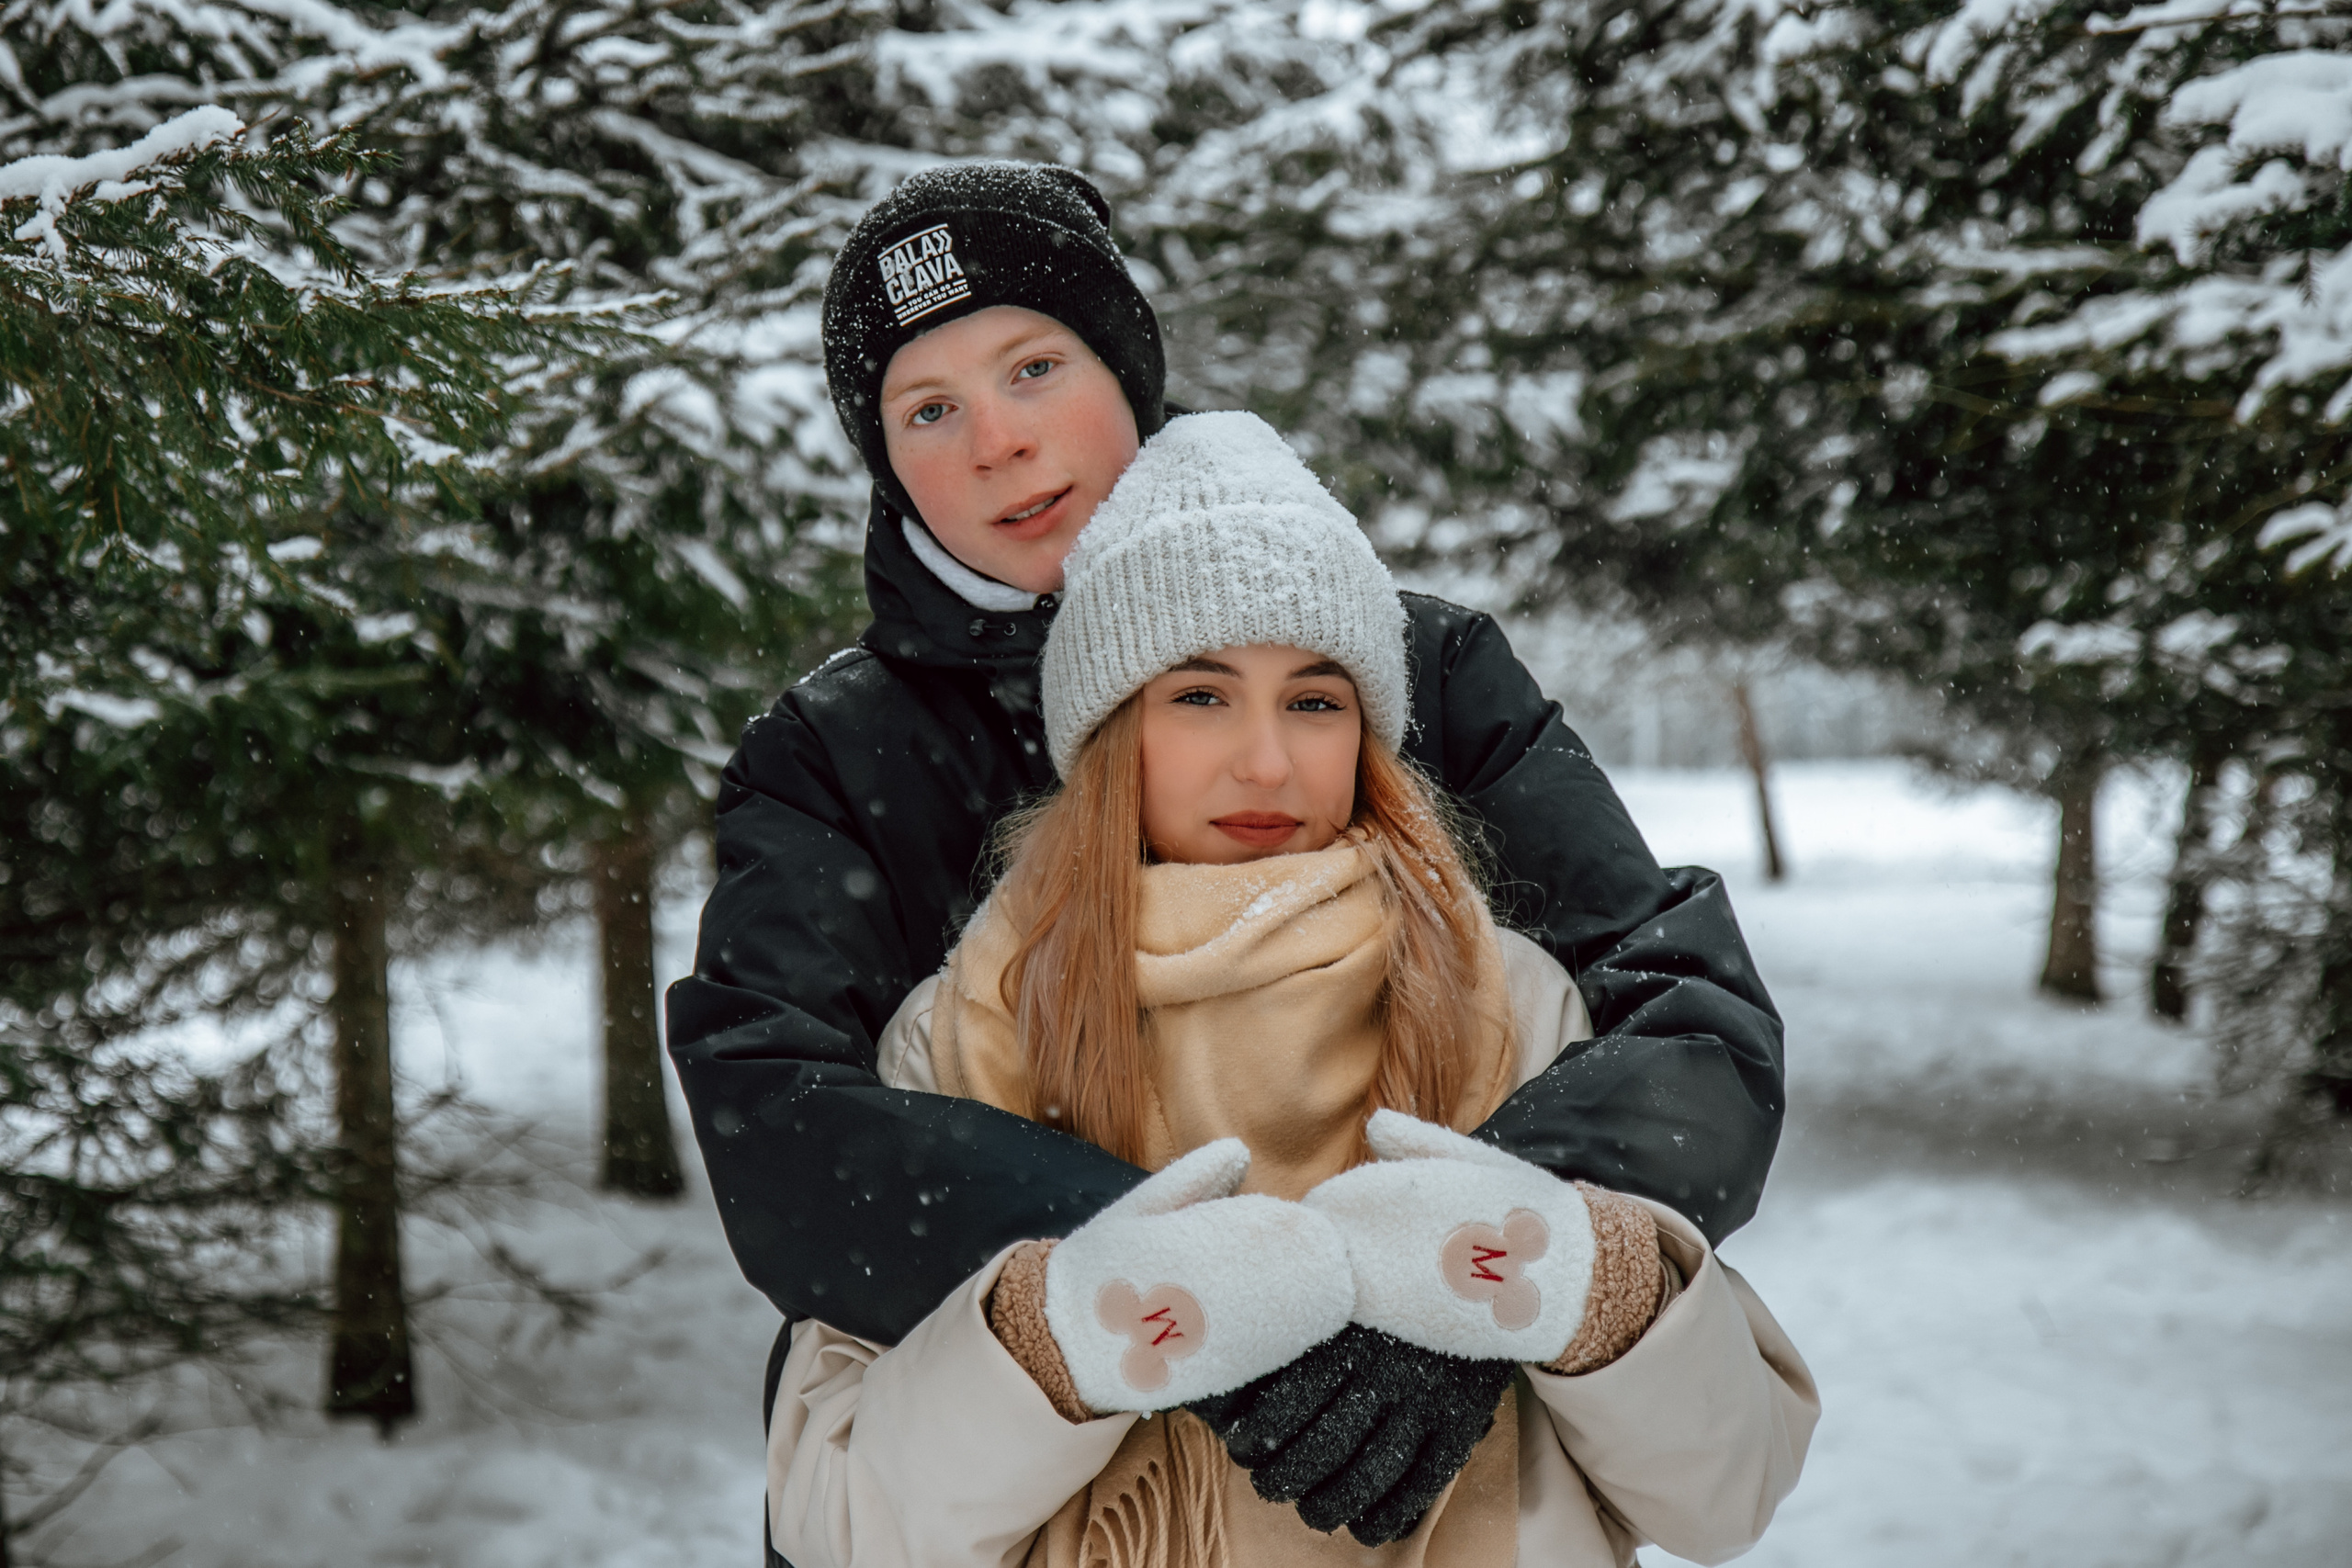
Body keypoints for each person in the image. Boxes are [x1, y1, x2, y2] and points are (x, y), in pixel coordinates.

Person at [665, 161, 1788, 1542]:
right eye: (928, 408)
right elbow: (779, 1125)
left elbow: (1685, 1022)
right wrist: (1171, 1285)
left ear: (1128, 371)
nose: (997, 442)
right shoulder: (841, 749)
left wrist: (1455, 1277)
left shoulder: (1408, 666)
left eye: (1033, 367)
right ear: (886, 459)